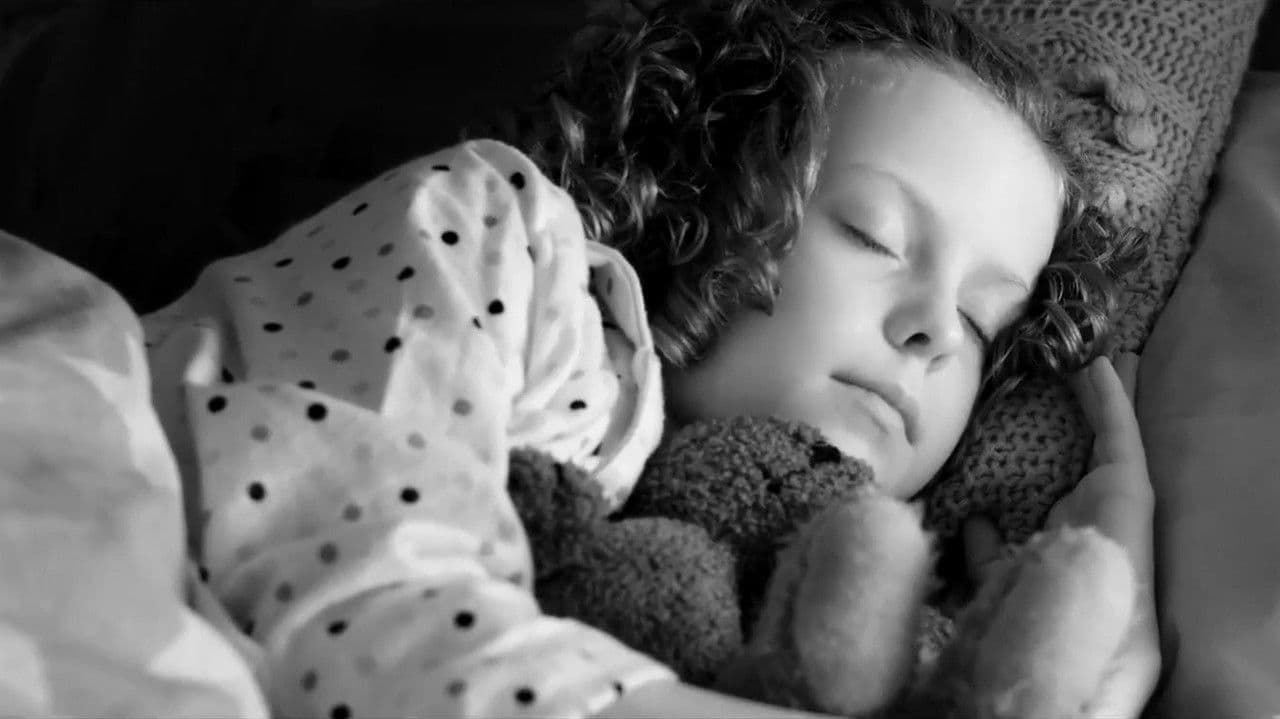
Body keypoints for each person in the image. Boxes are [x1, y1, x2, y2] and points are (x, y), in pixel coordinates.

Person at [0, 1, 1155, 718]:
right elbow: (376, 627)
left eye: (981, 324)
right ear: (714, 172)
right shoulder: (497, 232)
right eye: (875, 234)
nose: (931, 330)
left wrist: (1102, 627)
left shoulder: (830, 619)